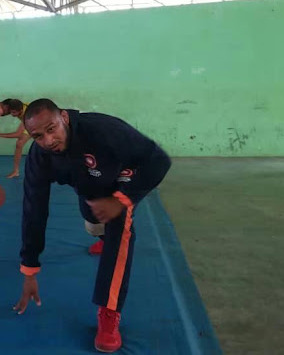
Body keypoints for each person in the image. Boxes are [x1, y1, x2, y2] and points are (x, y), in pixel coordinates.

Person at [13, 99, 171, 353]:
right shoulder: (40, 156)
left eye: (51, 129)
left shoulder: (104, 131)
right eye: (38, 136)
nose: (48, 140)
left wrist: (121, 200)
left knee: (118, 227)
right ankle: (102, 233)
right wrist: (29, 268)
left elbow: (160, 161)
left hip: (125, 173)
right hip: (89, 186)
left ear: (64, 117)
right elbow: (34, 209)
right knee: (95, 218)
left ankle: (109, 313)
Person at [0, 101, 30, 178]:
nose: (12, 114)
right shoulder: (17, 107)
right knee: (19, 144)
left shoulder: (27, 114)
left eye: (14, 112)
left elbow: (18, 134)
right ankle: (15, 171)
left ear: (20, 111)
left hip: (40, 124)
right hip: (31, 123)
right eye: (11, 112)